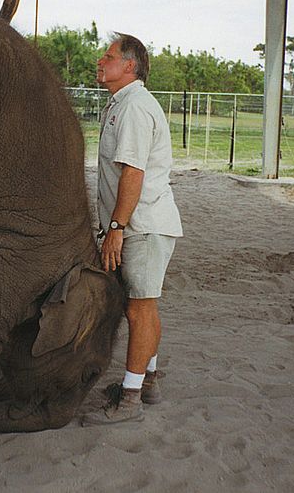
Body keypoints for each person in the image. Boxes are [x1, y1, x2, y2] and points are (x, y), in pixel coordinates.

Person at [82, 33, 183, 425]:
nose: (100, 61)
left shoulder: (136, 107)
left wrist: (116, 227)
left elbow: (133, 173)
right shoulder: (122, 103)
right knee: (143, 304)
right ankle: (148, 381)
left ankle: (129, 400)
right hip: (144, 224)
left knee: (140, 309)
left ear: (129, 66)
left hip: (142, 225)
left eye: (107, 56)